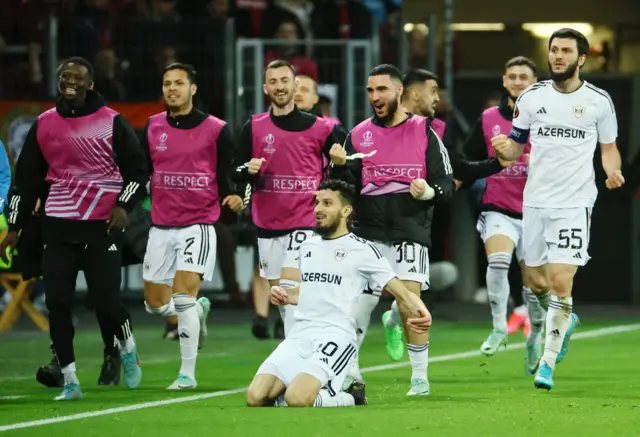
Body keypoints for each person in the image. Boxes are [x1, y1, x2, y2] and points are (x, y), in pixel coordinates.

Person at [0, 56, 146, 400]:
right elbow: (26, 181)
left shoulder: (113, 122)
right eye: (64, 76)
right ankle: (70, 380)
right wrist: (15, 228)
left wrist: (124, 206)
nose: (70, 82)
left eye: (77, 77)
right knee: (58, 303)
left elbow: (138, 171)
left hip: (102, 225)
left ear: (90, 84)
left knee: (107, 303)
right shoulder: (44, 123)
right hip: (59, 225)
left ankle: (126, 345)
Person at [492, 28, 624, 390]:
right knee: (535, 283)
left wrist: (612, 171)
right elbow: (516, 149)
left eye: (566, 51)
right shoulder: (532, 98)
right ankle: (566, 319)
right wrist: (503, 148)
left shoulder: (599, 101)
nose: (558, 56)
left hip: (575, 201)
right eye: (554, 50)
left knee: (560, 280)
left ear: (581, 58)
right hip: (535, 201)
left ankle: (547, 364)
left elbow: (608, 147)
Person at [245, 179, 432, 407]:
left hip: (335, 336)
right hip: (300, 335)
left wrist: (420, 310)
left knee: (297, 399)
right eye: (317, 203)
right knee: (255, 398)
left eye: (327, 203)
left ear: (346, 210)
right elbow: (313, 287)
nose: (318, 209)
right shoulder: (308, 246)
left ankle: (351, 396)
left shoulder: (363, 250)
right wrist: (286, 294)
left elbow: (401, 292)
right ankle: (303, 390)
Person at [329, 64, 455, 396]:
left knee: (410, 304)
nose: (375, 97)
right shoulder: (357, 134)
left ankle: (419, 378)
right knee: (357, 305)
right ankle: (351, 372)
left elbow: (446, 184)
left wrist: (428, 192)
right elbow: (342, 189)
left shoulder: (424, 131)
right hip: (368, 233)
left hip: (410, 230)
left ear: (399, 91)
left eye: (382, 90)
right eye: (370, 91)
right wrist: (338, 167)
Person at [140, 63, 244, 390]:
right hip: (160, 226)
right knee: (155, 304)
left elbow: (232, 171)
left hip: (198, 224)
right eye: (167, 83)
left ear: (193, 88)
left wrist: (237, 197)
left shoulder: (216, 129)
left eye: (179, 83)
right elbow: (141, 170)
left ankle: (187, 374)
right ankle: (198, 311)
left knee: (182, 297)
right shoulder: (151, 127)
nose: (172, 89)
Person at [231, 60, 343, 338]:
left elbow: (347, 168)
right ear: (265, 88)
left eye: (285, 81)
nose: (279, 86)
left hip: (305, 222)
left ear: (295, 85)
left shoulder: (322, 129)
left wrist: (340, 165)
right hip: (267, 224)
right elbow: (234, 170)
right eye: (273, 81)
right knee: (282, 299)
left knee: (289, 289)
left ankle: (300, 365)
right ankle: (309, 348)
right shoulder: (254, 127)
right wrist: (247, 169)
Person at [463, 56, 546, 372]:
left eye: (523, 76)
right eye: (511, 76)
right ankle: (499, 327)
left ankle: (535, 335)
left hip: (537, 210)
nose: (517, 81)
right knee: (498, 263)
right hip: (498, 206)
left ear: (534, 82)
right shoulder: (488, 119)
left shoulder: (549, 119)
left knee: (536, 286)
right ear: (504, 81)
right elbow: (466, 157)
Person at [293, 74, 347, 142]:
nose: (298, 94)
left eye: (304, 90)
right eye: (294, 90)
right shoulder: (276, 125)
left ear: (315, 98)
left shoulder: (331, 129)